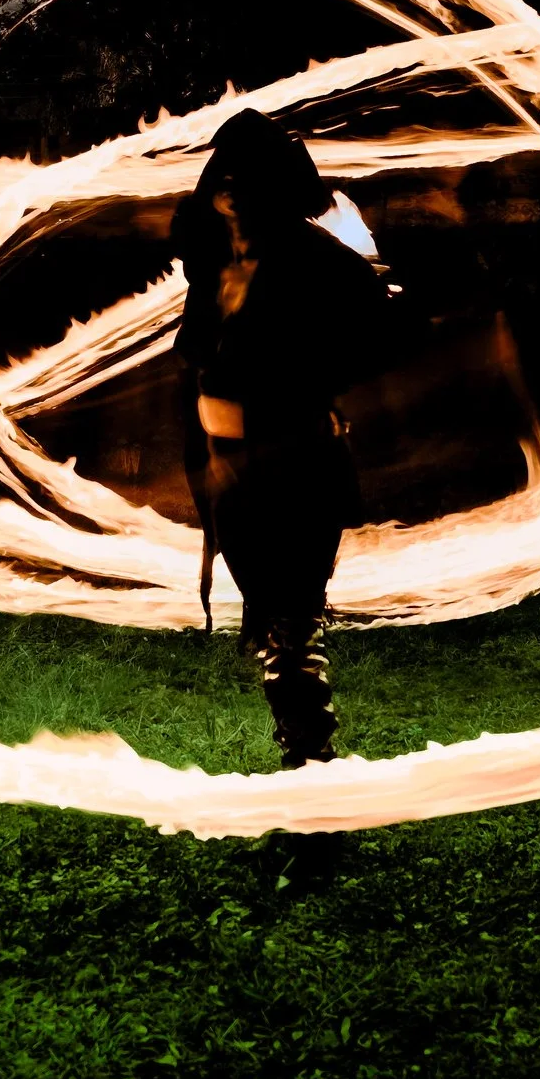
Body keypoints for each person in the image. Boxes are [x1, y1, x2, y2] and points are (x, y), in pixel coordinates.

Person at [173, 109, 392, 768]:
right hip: (233, 473)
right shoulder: (216, 269)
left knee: (292, 626)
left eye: (249, 177)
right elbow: (197, 360)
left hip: (298, 469)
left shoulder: (314, 263)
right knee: (272, 626)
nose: (233, 188)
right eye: (224, 175)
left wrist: (298, 392)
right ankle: (303, 747)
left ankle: (310, 761)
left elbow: (374, 330)